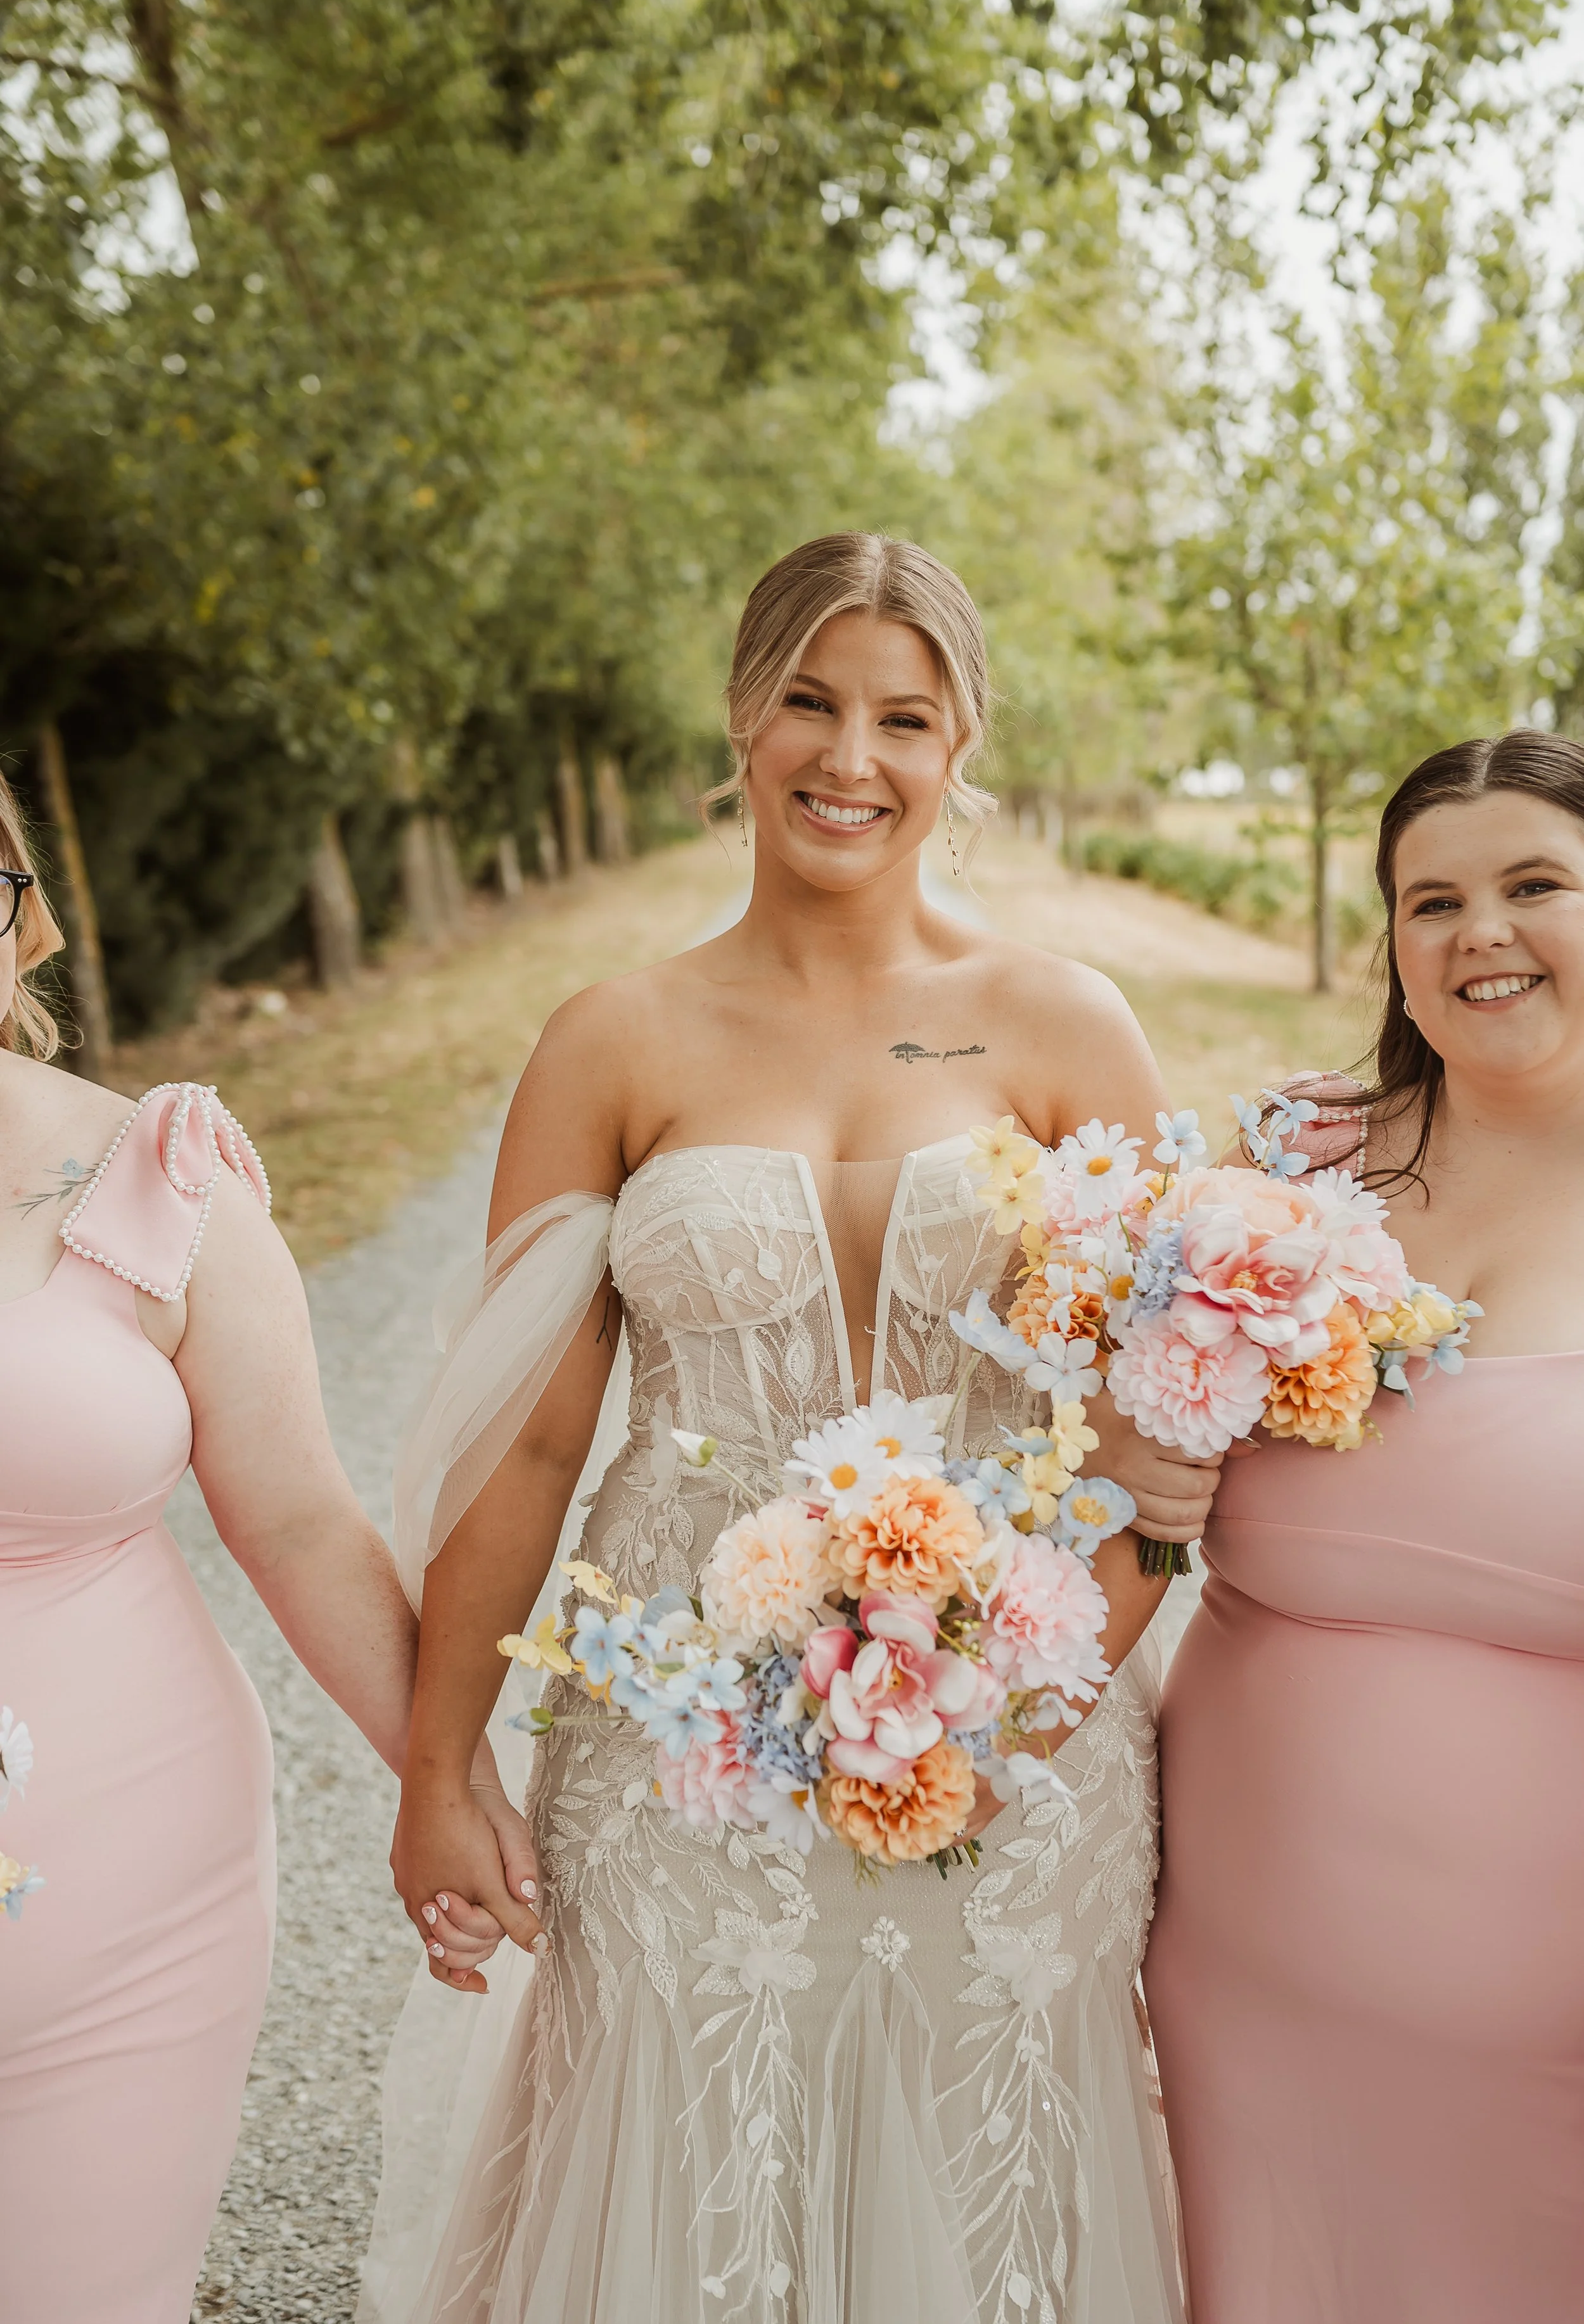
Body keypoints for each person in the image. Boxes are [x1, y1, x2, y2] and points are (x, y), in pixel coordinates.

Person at [364, 531, 1220, 2324]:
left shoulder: (1063, 1024)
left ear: (960, 740)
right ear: (742, 716)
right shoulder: (613, 1039)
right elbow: (529, 1445)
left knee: (987, 2169)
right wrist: (441, 1771)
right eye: (809, 703)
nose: (850, 757)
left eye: (902, 717)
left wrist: (1024, 1715)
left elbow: (1163, 1432)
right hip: (681, 1737)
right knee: (692, 2165)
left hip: (1017, 1734)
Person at [0, 771, 520, 2324]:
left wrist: (449, 1784)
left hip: (119, 1911)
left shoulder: (153, 1175)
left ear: (23, 920)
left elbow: (296, 1525)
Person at [1144, 728, 1584, 2324]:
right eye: (1430, 902)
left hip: (1543, 2041)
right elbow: (1115, 1460)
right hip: (1231, 1992)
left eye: (1534, 886)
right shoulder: (1295, 1165)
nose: (1480, 934)